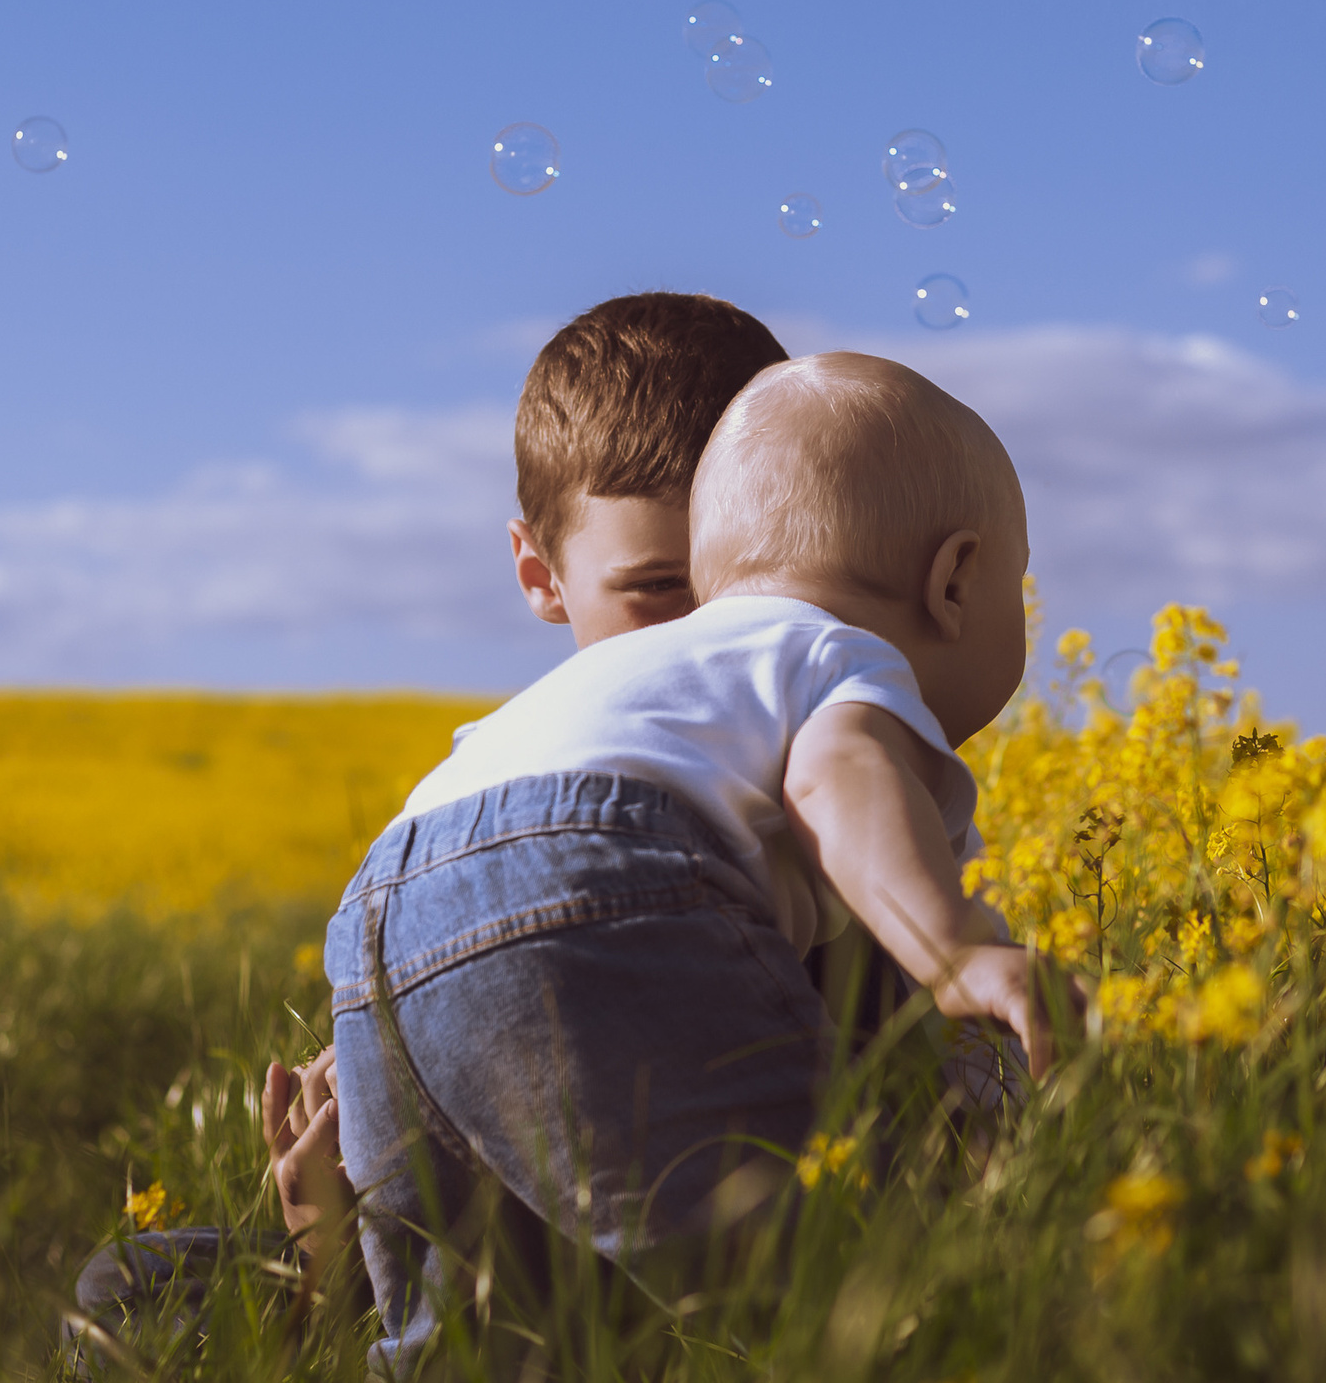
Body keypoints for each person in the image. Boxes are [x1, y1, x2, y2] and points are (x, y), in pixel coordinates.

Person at [69, 293, 789, 1360]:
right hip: (550, 1224)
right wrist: (336, 1202)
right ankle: (323, 1283)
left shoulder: (811, 735)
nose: (711, 639)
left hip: (636, 1236)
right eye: (660, 593)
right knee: (134, 1280)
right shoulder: (549, 802)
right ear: (540, 575)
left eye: (751, 589)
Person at [327, 352, 1076, 1374]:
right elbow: (839, 778)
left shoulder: (646, 671)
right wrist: (954, 951)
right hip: (599, 869)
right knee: (848, 1283)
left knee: (483, 1341)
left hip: (386, 893)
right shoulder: (834, 653)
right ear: (953, 580)